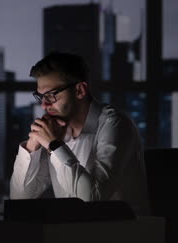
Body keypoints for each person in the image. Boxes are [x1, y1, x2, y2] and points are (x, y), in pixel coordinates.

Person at [9, 52, 150, 215]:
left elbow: (92, 200)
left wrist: (55, 146)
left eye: (51, 95)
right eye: (40, 97)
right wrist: (32, 147)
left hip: (122, 233)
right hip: (75, 233)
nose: (44, 105)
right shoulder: (56, 131)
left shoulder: (116, 124)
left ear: (80, 90)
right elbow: (19, 199)